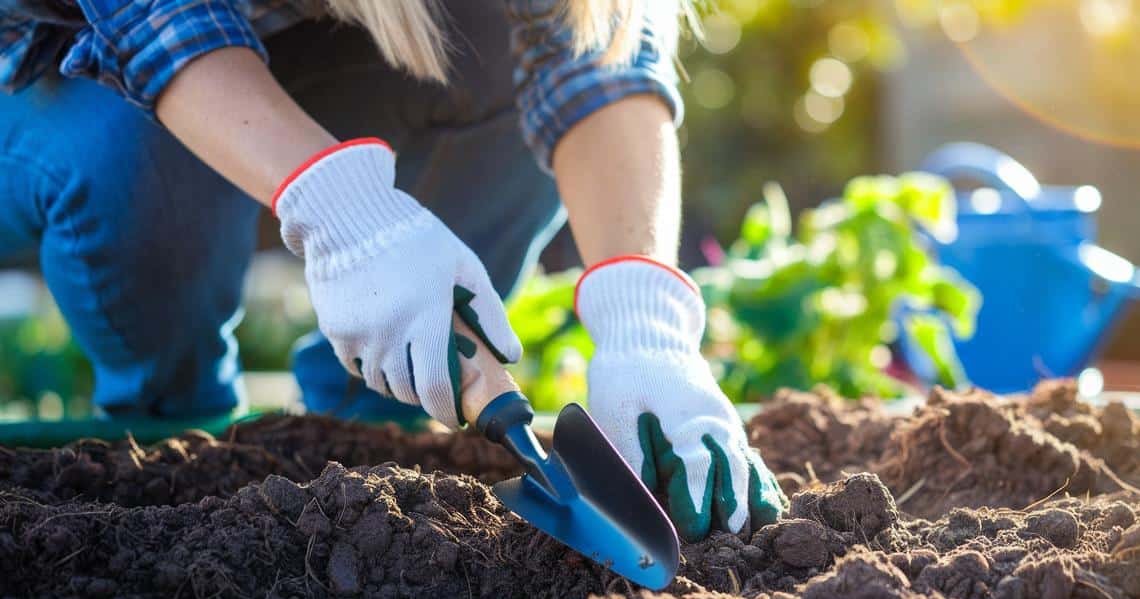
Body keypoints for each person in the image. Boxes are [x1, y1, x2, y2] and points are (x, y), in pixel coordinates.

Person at [0, 0, 785, 540]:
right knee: (136, 159)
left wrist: (643, 322)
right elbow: (155, 22)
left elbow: (594, 56)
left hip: (302, 40)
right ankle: (174, 435)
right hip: (49, 63)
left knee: (493, 50)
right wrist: (343, 214)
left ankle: (362, 429)